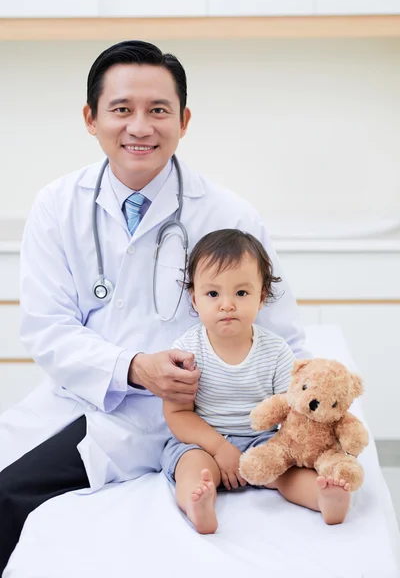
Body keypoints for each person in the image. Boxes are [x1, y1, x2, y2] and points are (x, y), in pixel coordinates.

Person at [0, 40, 308, 574]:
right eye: (121, 109)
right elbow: (47, 329)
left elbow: (283, 336)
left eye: (158, 110)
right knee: (7, 493)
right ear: (91, 118)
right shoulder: (57, 206)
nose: (139, 127)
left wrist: (300, 424)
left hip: (208, 424)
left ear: (184, 120)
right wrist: (134, 368)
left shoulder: (228, 213)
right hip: (95, 406)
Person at [162, 229, 352, 534]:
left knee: (287, 470)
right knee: (192, 468)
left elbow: (292, 411)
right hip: (204, 442)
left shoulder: (276, 351)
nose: (227, 304)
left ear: (261, 297)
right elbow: (177, 414)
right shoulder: (186, 351)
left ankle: (323, 497)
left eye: (241, 293)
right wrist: (219, 448)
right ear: (194, 298)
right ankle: (198, 503)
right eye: (213, 294)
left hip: (263, 443)